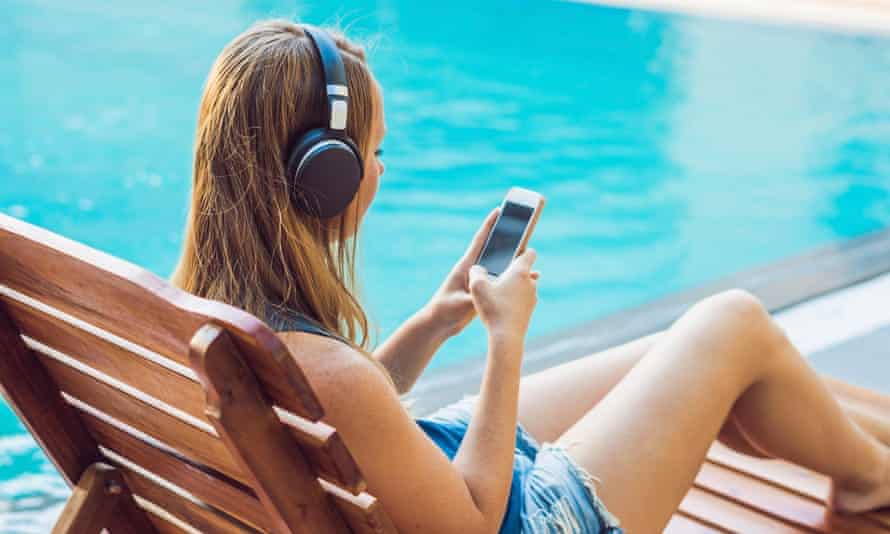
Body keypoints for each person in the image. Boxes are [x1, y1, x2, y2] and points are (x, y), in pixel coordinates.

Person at [171, 19, 890, 534]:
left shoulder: (197, 315)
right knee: (729, 322)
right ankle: (871, 483)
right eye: (370, 153)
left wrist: (434, 322)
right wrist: (503, 338)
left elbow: (336, 415)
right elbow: (479, 518)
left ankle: (867, 459)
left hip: (403, 493)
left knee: (676, 356)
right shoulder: (326, 367)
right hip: (519, 518)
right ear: (320, 177)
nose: (379, 171)